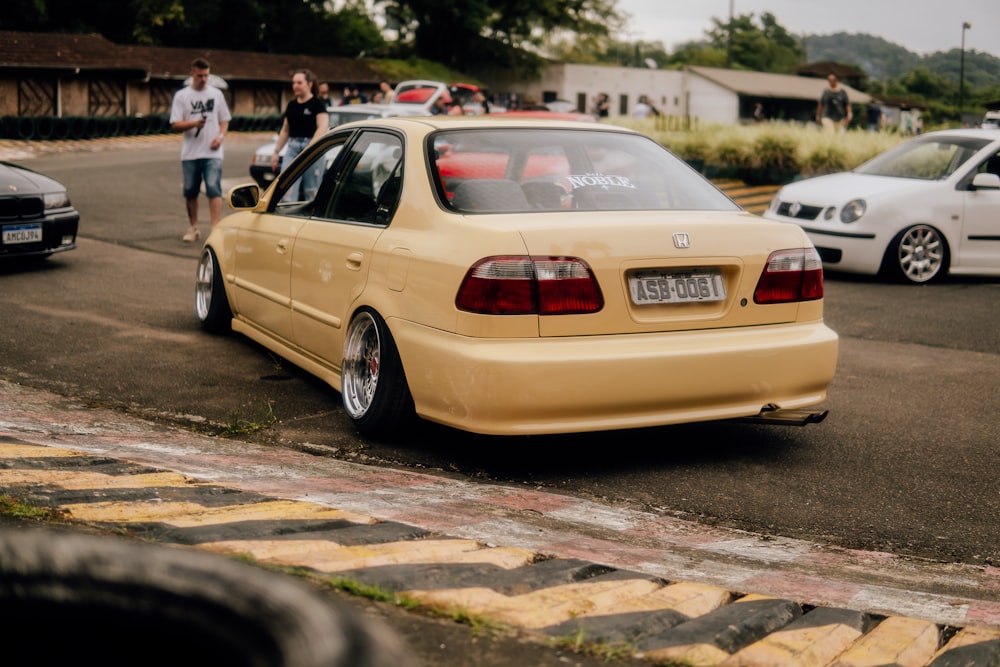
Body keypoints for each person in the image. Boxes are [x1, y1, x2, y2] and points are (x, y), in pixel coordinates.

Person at [169, 57, 231, 242]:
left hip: (213, 152)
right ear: (192, 74)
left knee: (214, 188)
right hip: (190, 153)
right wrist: (193, 123)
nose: (203, 79)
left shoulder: (216, 94)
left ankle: (215, 228)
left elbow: (225, 120)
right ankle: (193, 227)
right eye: (200, 76)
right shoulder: (182, 96)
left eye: (206, 75)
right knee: (190, 191)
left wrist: (220, 137)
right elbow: (175, 124)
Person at [269, 69, 329, 200]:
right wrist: (276, 152)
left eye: (299, 82)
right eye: (294, 83)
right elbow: (285, 130)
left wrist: (310, 148)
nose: (295, 85)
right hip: (293, 148)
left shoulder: (318, 104)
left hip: (312, 149)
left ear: (309, 84)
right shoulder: (291, 105)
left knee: (312, 191)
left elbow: (322, 127)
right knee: (287, 189)